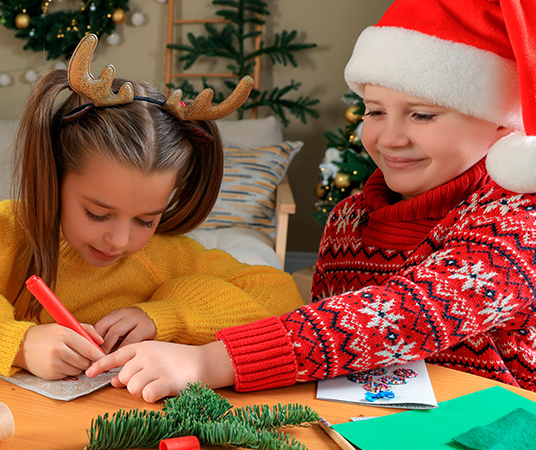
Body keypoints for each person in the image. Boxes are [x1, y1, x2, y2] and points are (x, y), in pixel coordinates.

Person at [87, 0, 536, 402]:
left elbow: (400, 314)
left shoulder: (518, 223)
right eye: (375, 110)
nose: (390, 137)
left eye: (422, 114)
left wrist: (209, 362)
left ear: (501, 123)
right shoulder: (349, 220)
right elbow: (320, 341)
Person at [0, 34, 304, 381]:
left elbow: (280, 296)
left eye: (146, 219)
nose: (120, 240)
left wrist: (165, 317)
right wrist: (16, 344)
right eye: (98, 213)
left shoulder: (165, 255)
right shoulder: (2, 233)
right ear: (55, 178)